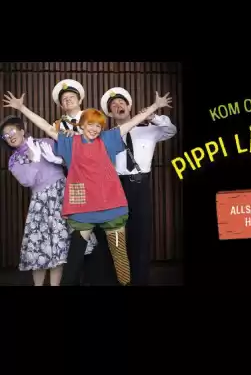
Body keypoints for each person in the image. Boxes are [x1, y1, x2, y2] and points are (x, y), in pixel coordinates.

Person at [3, 90, 172, 286]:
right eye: (90, 124)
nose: (94, 128)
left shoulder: (108, 139)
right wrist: (22, 108)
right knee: (75, 257)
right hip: (84, 210)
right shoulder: (70, 143)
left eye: (98, 125)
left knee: (120, 256)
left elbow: (133, 122)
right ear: (82, 125)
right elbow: (46, 127)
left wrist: (155, 106)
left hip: (112, 208)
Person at [0, 115, 95, 285]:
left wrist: (58, 159)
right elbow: (27, 181)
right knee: (40, 249)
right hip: (41, 202)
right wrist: (33, 160)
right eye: (5, 135)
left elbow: (71, 158)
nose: (10, 136)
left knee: (59, 248)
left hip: (62, 195)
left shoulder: (44, 142)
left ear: (22, 130)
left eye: (12, 131)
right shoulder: (14, 160)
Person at [100, 87, 177, 285]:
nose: (118, 106)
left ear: (129, 107)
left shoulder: (148, 130)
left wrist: (154, 116)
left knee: (141, 235)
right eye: (113, 105)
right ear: (110, 113)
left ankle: (140, 281)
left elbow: (171, 130)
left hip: (140, 187)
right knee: (116, 236)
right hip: (116, 187)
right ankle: (118, 280)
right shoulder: (108, 135)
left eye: (121, 103)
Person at [52, 79, 115, 285]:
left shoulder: (92, 117)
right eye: (64, 99)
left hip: (99, 181)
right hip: (75, 182)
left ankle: (101, 280)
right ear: (61, 105)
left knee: (103, 231)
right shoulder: (57, 126)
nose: (68, 100)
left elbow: (103, 144)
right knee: (79, 235)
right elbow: (57, 155)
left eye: (71, 97)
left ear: (80, 99)